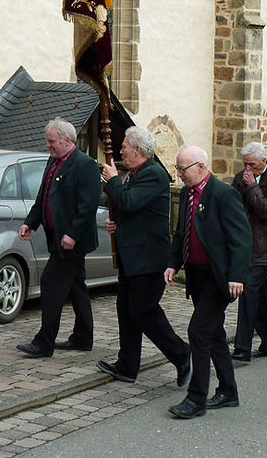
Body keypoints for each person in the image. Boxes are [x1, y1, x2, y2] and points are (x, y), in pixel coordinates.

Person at [97, 127, 190, 387]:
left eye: (125, 146)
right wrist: (119, 225)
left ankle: (181, 353)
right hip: (132, 257)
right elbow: (135, 210)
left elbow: (128, 202)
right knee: (126, 311)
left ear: (138, 150)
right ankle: (127, 365)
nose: (121, 150)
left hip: (149, 259)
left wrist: (113, 180)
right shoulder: (135, 174)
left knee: (144, 311)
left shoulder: (153, 174)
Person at [164, 146, 251, 419]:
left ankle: (196, 398)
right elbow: (182, 233)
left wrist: (237, 275)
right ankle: (228, 391)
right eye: (177, 169)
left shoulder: (224, 194)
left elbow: (241, 238)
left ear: (200, 167)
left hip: (219, 278)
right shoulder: (189, 194)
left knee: (198, 332)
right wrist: (173, 263)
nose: (179, 175)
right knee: (213, 335)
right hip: (197, 276)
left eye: (183, 169)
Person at [16, 118, 100, 357]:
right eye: (48, 141)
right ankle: (83, 337)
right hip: (56, 236)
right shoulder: (53, 162)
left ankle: (44, 342)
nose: (48, 145)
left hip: (73, 240)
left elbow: (88, 206)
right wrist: (29, 223)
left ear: (66, 141)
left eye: (52, 141)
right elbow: (43, 197)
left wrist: (72, 234)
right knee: (76, 287)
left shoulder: (84, 165)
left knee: (51, 283)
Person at [231, 142, 267, 364]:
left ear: (263, 161)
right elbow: (234, 206)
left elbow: (266, 211)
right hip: (246, 245)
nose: (248, 169)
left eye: (252, 165)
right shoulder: (240, 177)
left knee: (248, 290)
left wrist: (253, 186)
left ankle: (242, 348)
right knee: (260, 295)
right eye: (245, 164)